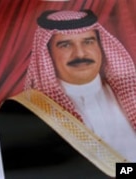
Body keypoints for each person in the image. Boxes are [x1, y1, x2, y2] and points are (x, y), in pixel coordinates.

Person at [24, 10, 136, 162]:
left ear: (100, 47)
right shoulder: (30, 113)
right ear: (48, 54)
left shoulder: (131, 94)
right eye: (65, 45)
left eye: (88, 42)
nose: (80, 53)